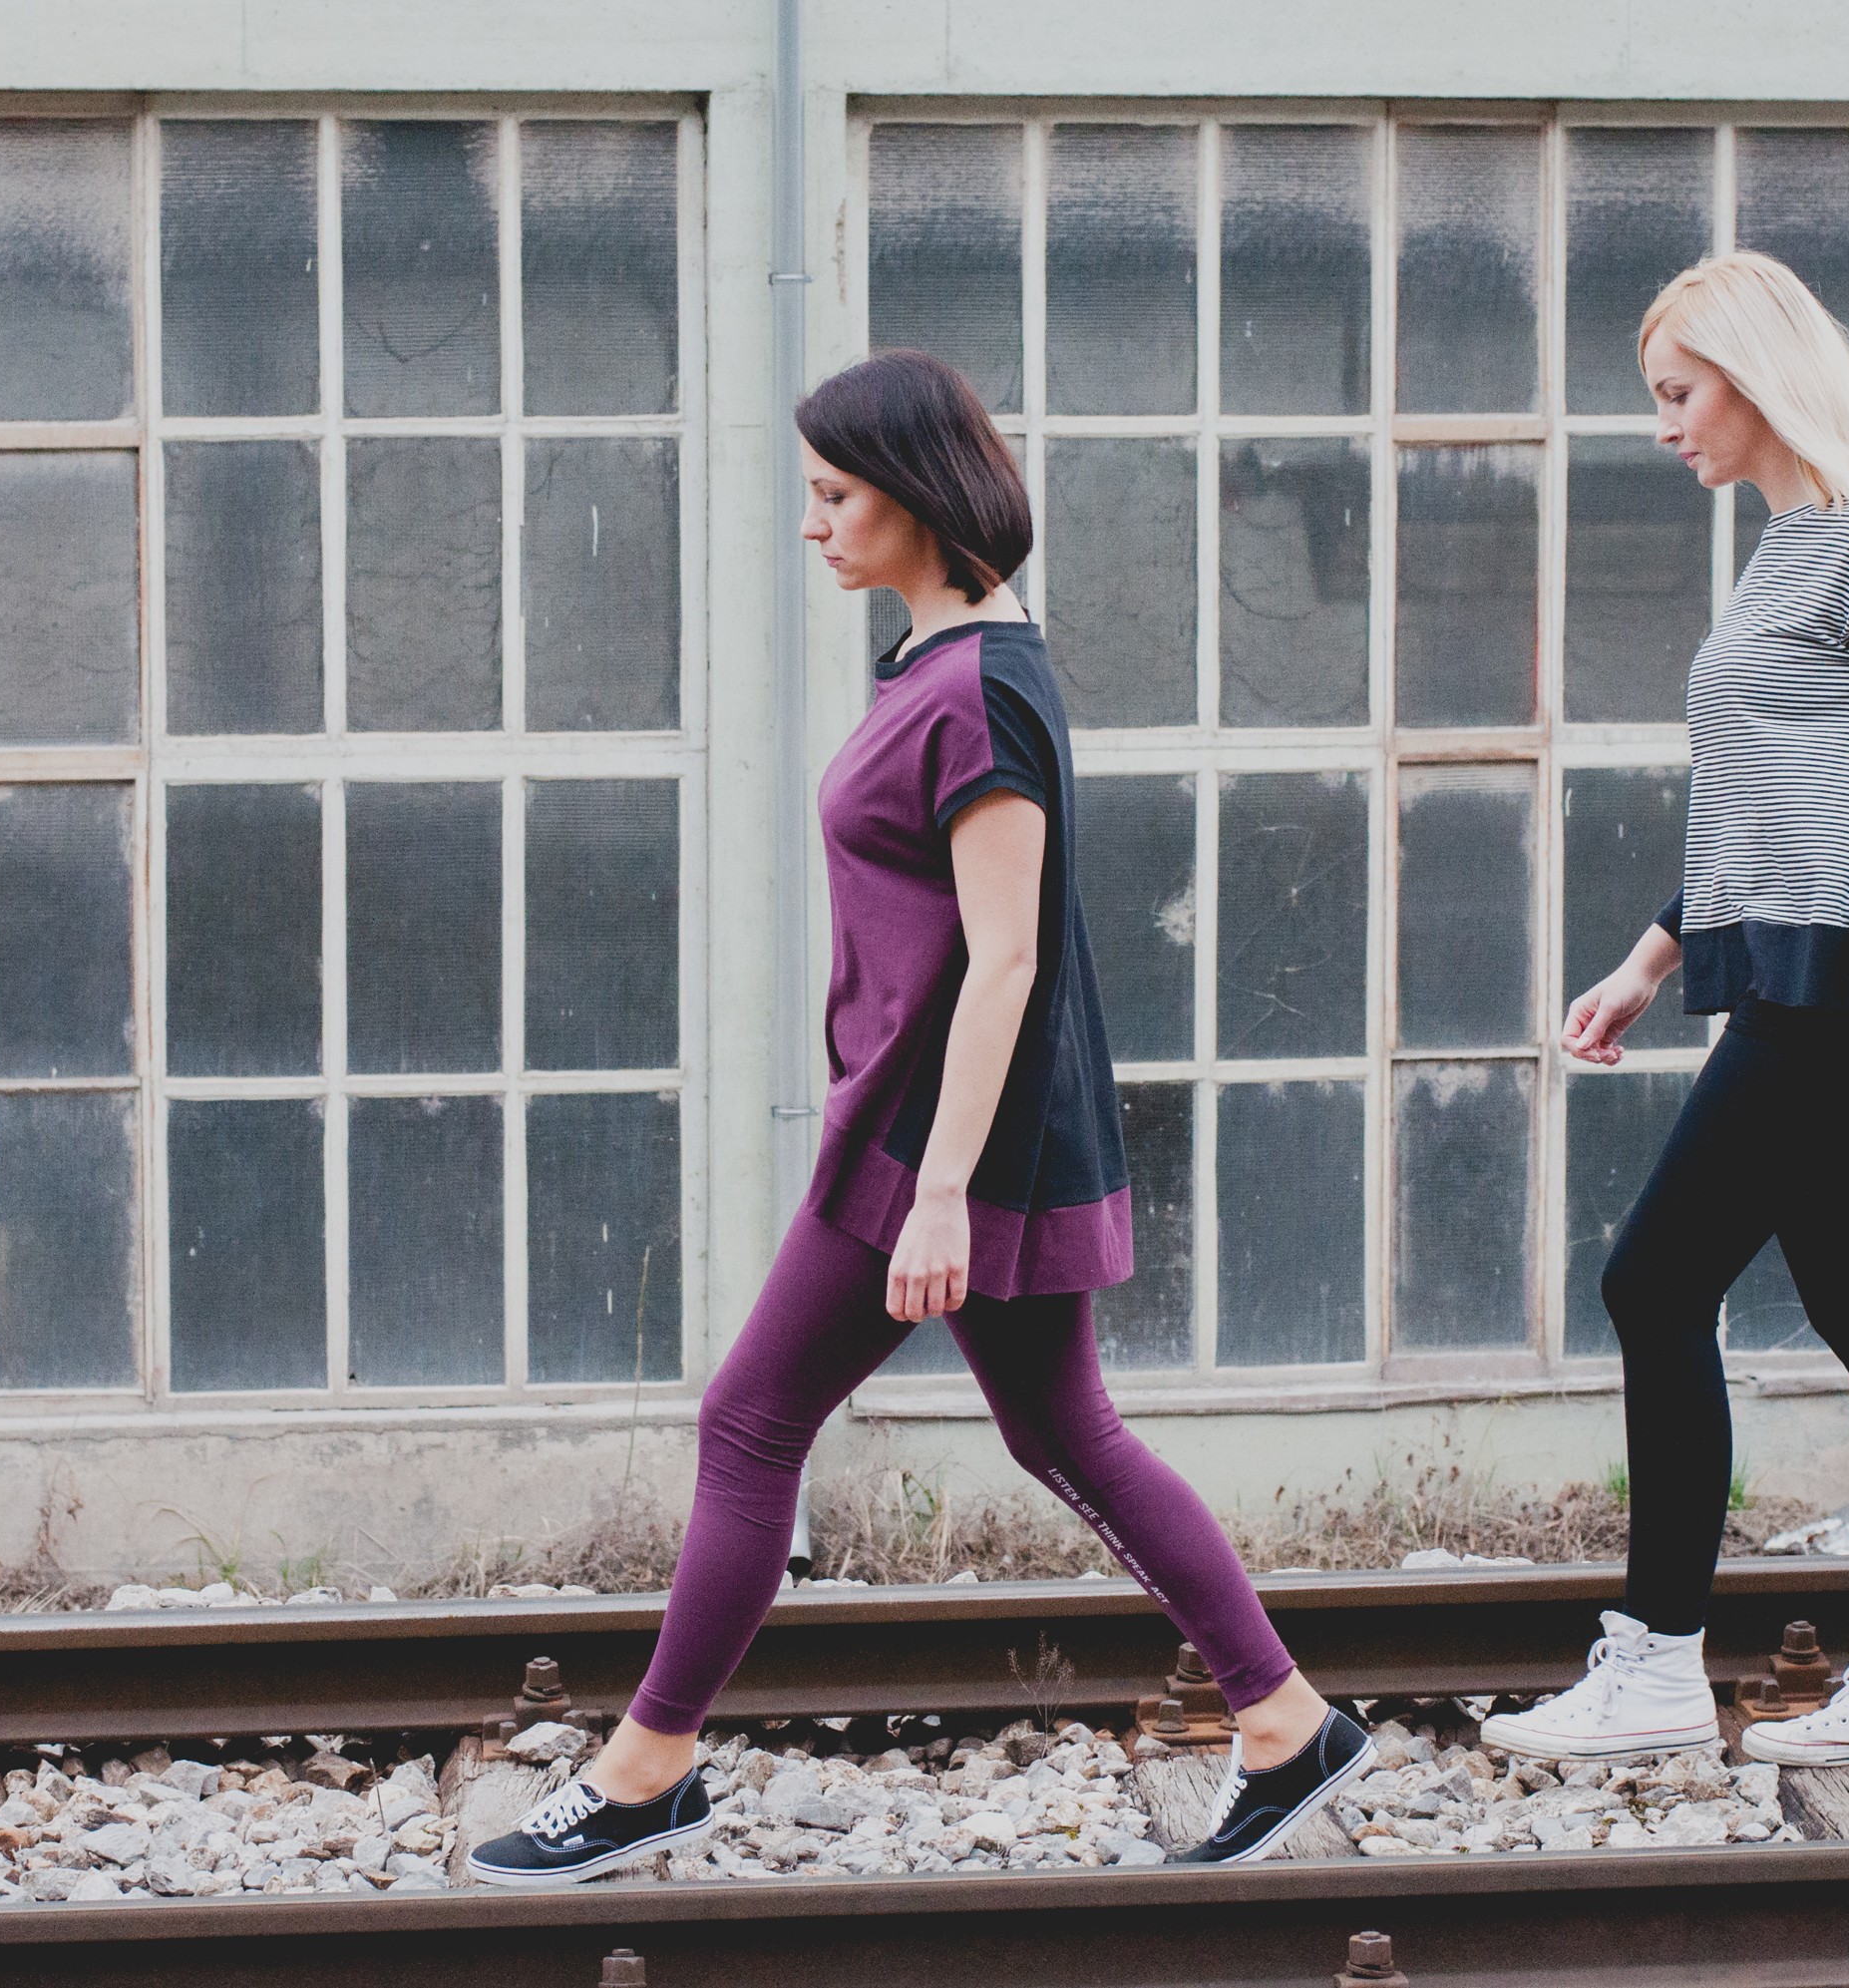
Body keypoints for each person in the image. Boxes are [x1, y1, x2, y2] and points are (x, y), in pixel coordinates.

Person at [468, 349, 1367, 1886]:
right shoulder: (942, 662)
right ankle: (1285, 1720)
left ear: (918, 495)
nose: (811, 522)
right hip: (939, 1125)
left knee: (750, 1420)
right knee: (1065, 1432)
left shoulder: (982, 692)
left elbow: (1006, 959)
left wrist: (940, 1186)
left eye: (834, 495)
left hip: (933, 1142)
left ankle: (645, 1770)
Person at [1478, 252, 1849, 1773]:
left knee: (1652, 1281)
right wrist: (1649, 960)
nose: (1665, 425)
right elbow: (1764, 810)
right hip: (1788, 976)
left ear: (1755, 376)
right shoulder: (1788, 550)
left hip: (1845, 996)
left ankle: (1657, 1659)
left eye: (1678, 392)